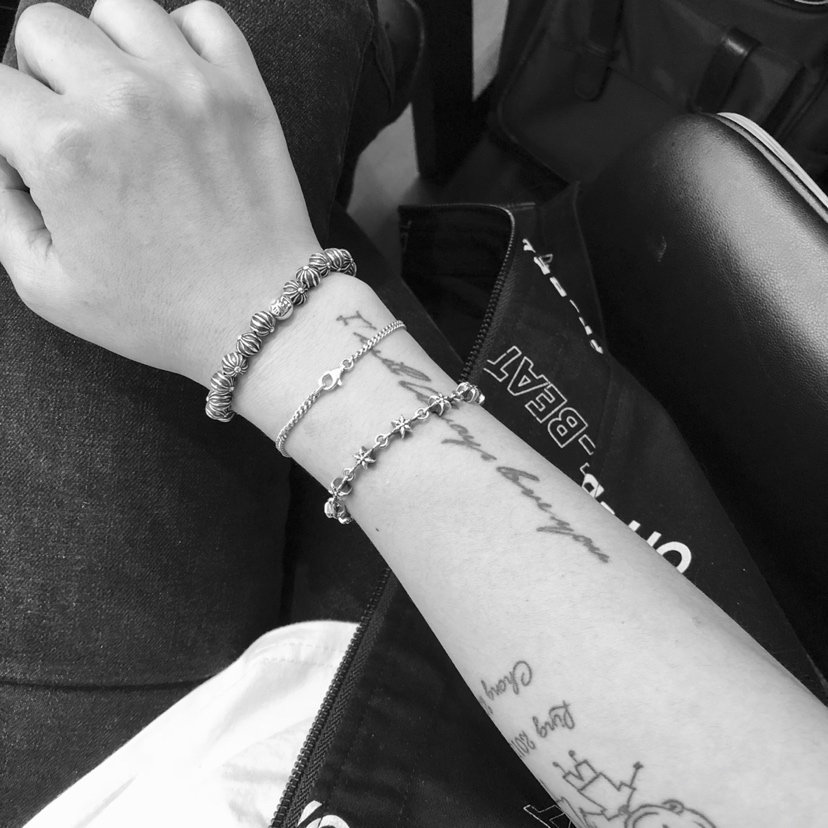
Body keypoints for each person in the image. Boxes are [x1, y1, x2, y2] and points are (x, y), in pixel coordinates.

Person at [1, 1, 827, 826]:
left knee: (231, 37)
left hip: (125, 782)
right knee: (178, 71)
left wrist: (274, 322)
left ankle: (379, 45)